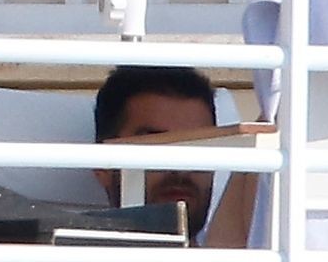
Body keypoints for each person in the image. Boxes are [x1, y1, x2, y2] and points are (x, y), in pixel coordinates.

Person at [91, 65, 247, 246]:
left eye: (197, 147)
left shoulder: (260, 259)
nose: (180, 170)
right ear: (102, 165)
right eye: (158, 147)